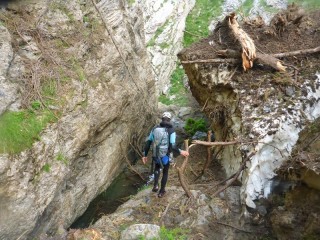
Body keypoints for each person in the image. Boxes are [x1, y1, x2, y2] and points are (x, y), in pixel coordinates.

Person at [142, 112, 189, 198]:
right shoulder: (171, 130)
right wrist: (181, 152)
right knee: (165, 172)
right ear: (169, 119)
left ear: (162, 118)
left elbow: (148, 142)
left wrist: (144, 155)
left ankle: (155, 186)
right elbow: (173, 146)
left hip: (156, 154)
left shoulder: (155, 128)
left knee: (157, 168)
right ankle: (161, 191)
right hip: (165, 156)